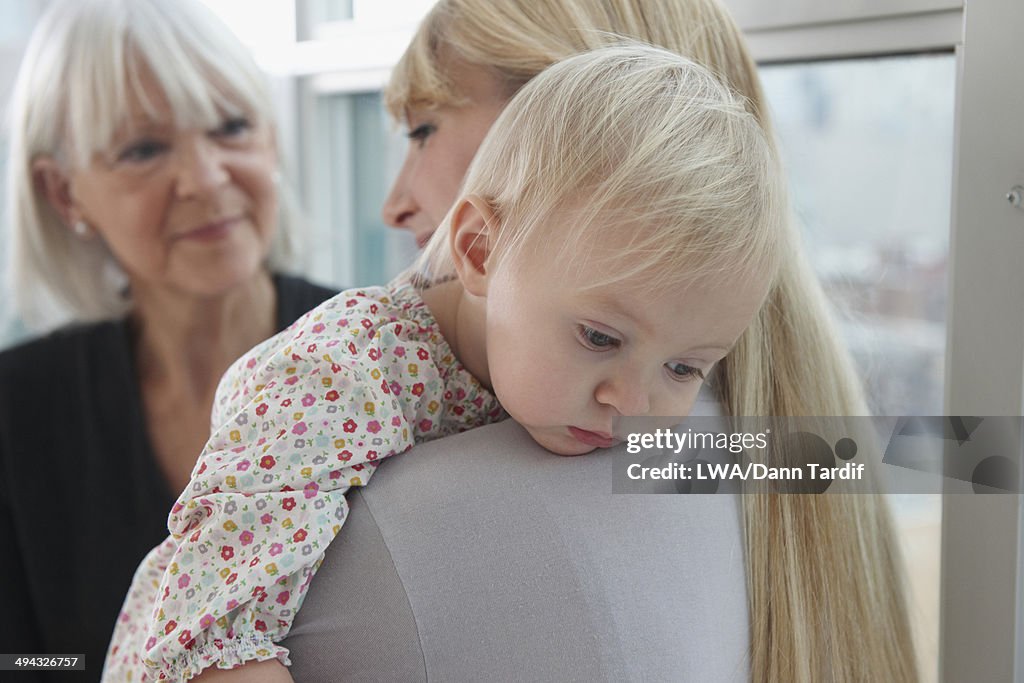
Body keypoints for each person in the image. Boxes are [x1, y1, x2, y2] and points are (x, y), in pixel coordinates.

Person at [104, 44, 784, 682]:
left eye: (684, 368)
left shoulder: (624, 383)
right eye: (600, 339)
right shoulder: (331, 377)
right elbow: (212, 640)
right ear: (481, 250)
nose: (634, 404)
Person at [374, 1, 918, 681]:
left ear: (577, 111)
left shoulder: (415, 515)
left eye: (424, 129)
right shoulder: (775, 449)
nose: (393, 201)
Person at [0, 0, 335, 679]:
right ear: (64, 194)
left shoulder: (378, 353)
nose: (206, 178)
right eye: (145, 149)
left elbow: (620, 454)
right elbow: (21, 658)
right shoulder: (16, 409)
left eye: (232, 126)